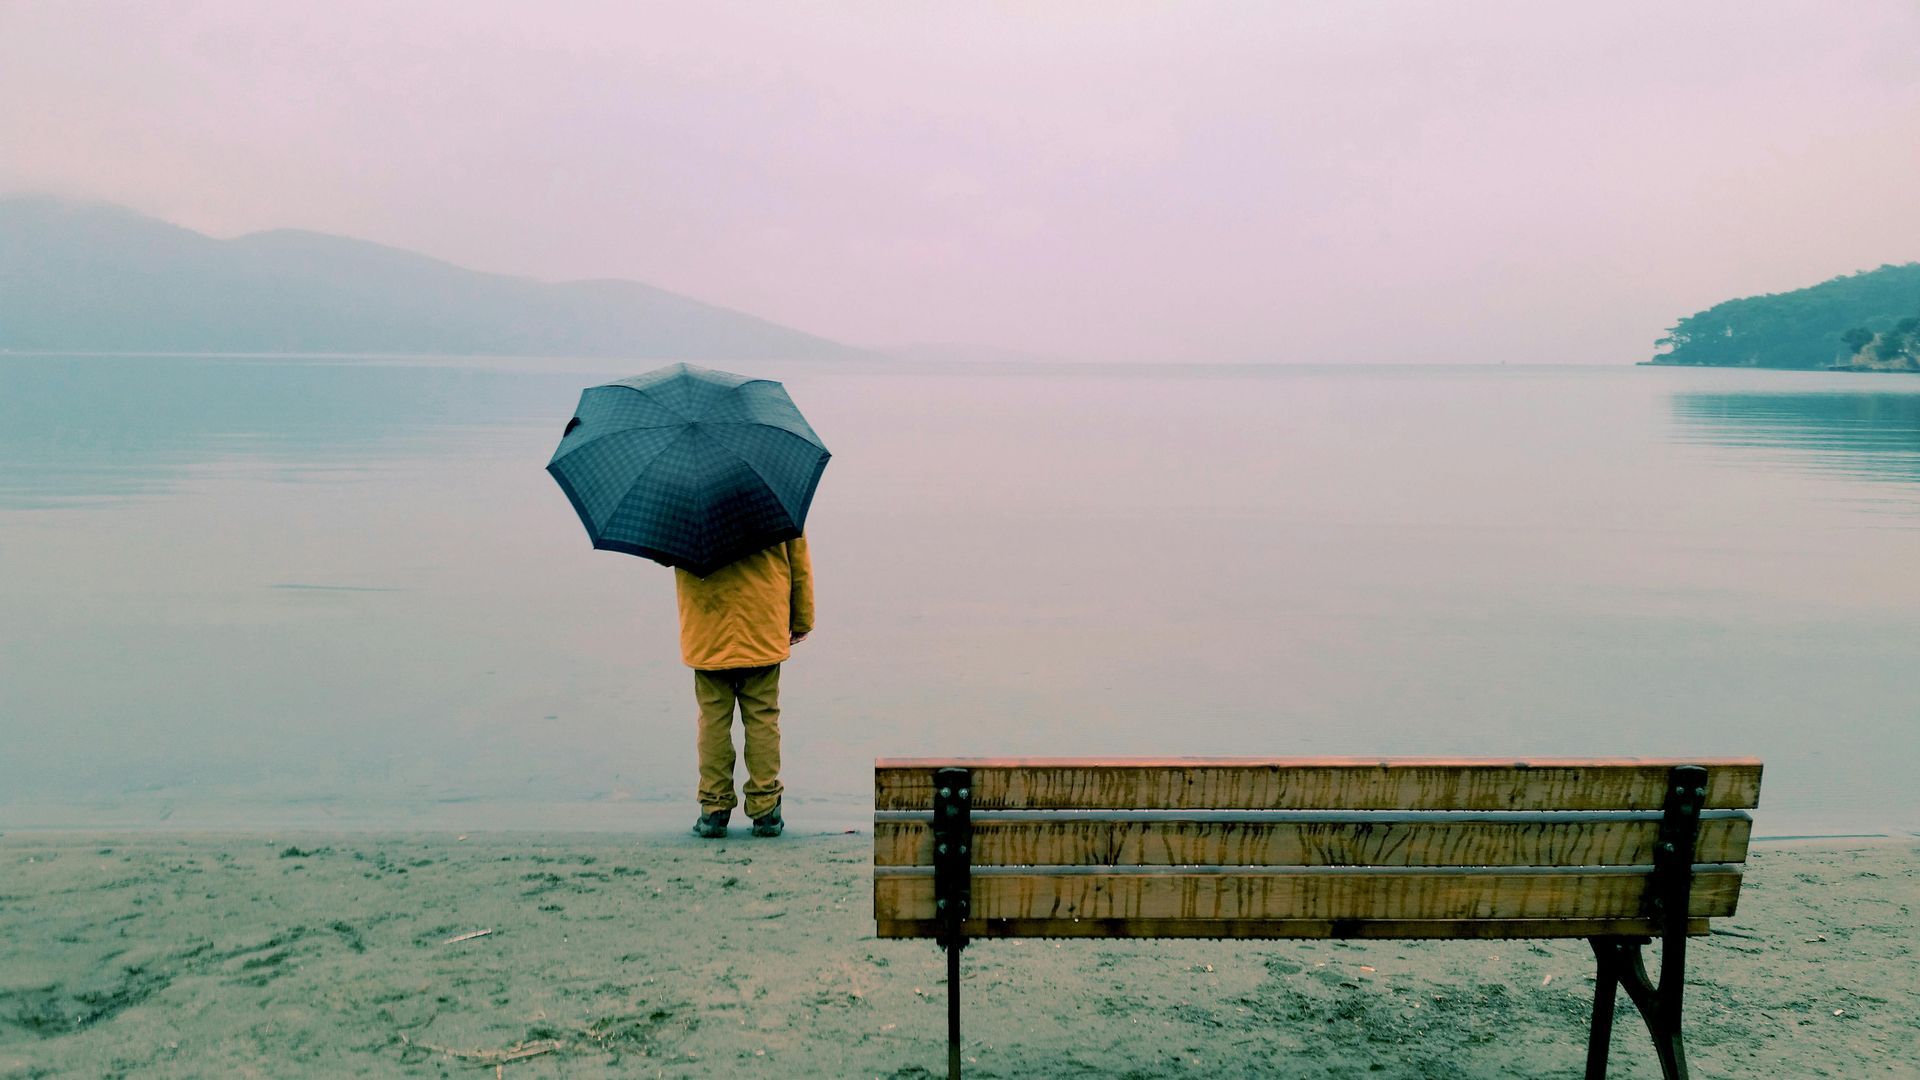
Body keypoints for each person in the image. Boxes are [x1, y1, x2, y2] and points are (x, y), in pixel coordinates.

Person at [675, 536, 814, 839]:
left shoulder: (687, 506)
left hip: (706, 626)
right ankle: (766, 810)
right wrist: (802, 618)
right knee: (763, 716)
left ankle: (714, 810)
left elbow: (668, 552)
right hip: (762, 622)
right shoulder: (774, 497)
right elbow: (799, 561)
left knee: (712, 720)